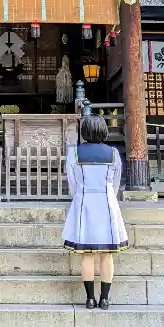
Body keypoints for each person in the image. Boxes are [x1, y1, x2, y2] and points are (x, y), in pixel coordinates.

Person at [62, 113, 128, 310]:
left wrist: (79, 196)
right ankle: (105, 298)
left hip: (84, 202)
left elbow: (72, 183)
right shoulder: (113, 153)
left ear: (84, 131)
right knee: (107, 254)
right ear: (103, 130)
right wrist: (109, 197)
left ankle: (90, 298)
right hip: (107, 203)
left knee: (87, 254)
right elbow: (116, 183)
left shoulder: (74, 153)